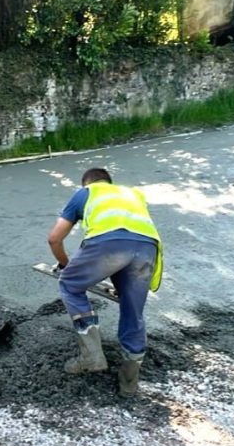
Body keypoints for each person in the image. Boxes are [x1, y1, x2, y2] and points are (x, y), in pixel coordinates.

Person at [46, 168, 162, 395]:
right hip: (147, 249)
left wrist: (66, 267)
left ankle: (91, 355)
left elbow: (54, 238)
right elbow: (131, 239)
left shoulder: (86, 192)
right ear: (109, 182)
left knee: (70, 285)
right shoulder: (132, 195)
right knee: (133, 310)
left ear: (86, 183)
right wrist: (124, 286)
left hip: (108, 244)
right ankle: (129, 382)